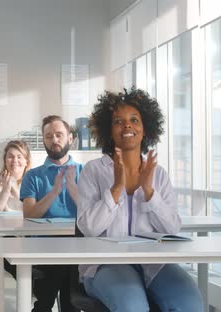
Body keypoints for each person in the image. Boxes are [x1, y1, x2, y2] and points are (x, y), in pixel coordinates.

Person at [77, 88, 203, 312]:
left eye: (134, 120)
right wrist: (116, 187)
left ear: (145, 129)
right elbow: (88, 228)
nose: (127, 125)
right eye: (118, 121)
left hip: (153, 264)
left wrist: (149, 192)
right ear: (109, 130)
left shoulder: (159, 174)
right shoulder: (93, 171)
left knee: (190, 302)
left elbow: (172, 227)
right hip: (106, 264)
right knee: (133, 306)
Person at [20, 115, 83, 312]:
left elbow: (93, 214)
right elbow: (29, 214)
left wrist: (72, 188)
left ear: (70, 138)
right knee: (63, 272)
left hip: (78, 247)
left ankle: (45, 306)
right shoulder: (32, 175)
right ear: (43, 140)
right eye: (49, 136)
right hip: (44, 248)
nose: (54, 140)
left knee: (67, 271)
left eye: (59, 135)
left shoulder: (86, 171)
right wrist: (54, 191)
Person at [0, 140, 31, 212]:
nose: (15, 160)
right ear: (5, 161)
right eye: (10, 157)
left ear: (26, 161)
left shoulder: (33, 181)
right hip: (0, 222)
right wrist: (5, 190)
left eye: (19, 157)